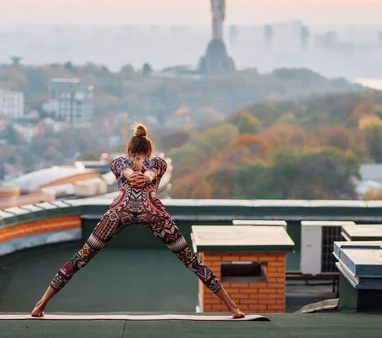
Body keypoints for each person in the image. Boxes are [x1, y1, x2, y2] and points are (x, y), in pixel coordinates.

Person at [31, 124, 245, 319]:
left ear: (129, 150)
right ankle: (232, 307)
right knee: (190, 260)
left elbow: (129, 169)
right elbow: (150, 171)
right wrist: (144, 177)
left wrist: (134, 175)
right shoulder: (157, 162)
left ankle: (40, 305)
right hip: (153, 212)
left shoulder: (120, 162)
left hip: (118, 212)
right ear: (149, 150)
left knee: (82, 257)